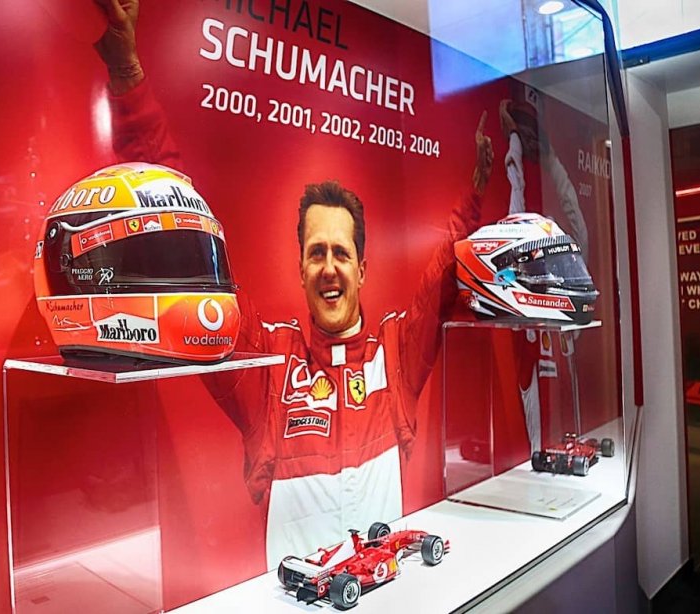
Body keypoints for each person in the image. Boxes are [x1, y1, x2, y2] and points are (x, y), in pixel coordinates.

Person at [93, 0, 495, 567]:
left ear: (362, 268)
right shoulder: (267, 364)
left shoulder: (397, 353)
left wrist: (475, 192)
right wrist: (128, 74)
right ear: (300, 268)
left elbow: (445, 268)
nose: (329, 267)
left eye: (341, 253)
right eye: (316, 253)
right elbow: (183, 231)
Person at [499, 91, 589, 451]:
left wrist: (550, 159)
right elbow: (516, 200)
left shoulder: (570, 293)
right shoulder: (523, 307)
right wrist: (515, 140)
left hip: (573, 452)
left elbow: (577, 222)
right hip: (539, 463)